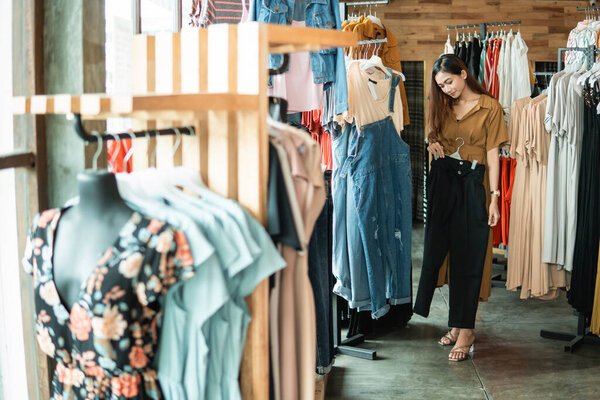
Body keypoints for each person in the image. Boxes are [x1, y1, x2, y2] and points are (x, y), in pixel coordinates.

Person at [413, 54, 509, 361]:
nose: (447, 89)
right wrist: (431, 142)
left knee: (470, 256)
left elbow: (493, 154)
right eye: (441, 85)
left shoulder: (489, 107)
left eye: (449, 82)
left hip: (473, 182)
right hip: (443, 178)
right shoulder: (441, 104)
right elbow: (432, 134)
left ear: (463, 74)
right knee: (440, 253)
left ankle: (466, 329)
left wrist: (494, 196)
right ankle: (457, 322)